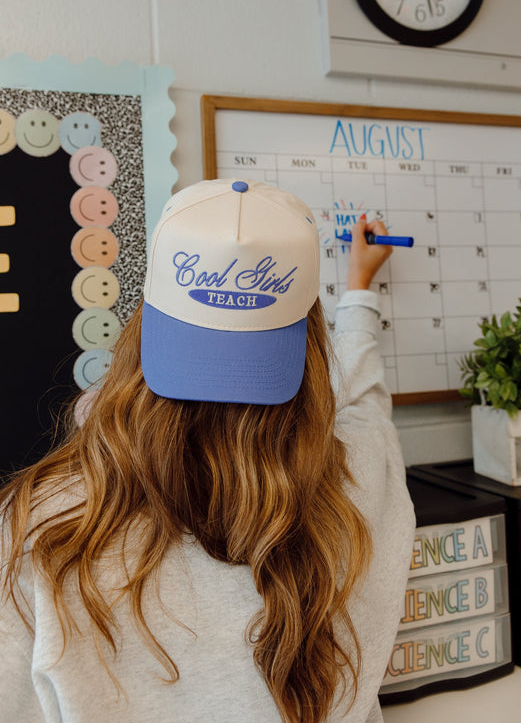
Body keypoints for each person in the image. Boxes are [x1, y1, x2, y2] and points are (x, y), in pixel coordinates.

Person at [0, 178, 415, 723]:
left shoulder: (43, 527)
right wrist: (359, 289)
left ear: (141, 328)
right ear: (313, 345)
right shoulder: (365, 475)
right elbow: (365, 404)